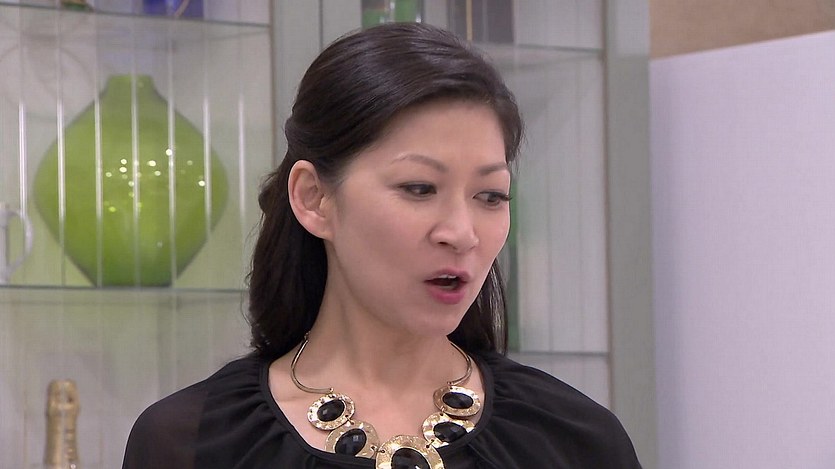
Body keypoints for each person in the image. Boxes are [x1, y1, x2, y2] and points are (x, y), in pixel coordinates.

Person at [122, 22, 642, 469]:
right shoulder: (192, 441)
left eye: (490, 196)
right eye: (419, 188)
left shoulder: (575, 439)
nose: (462, 233)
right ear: (314, 198)